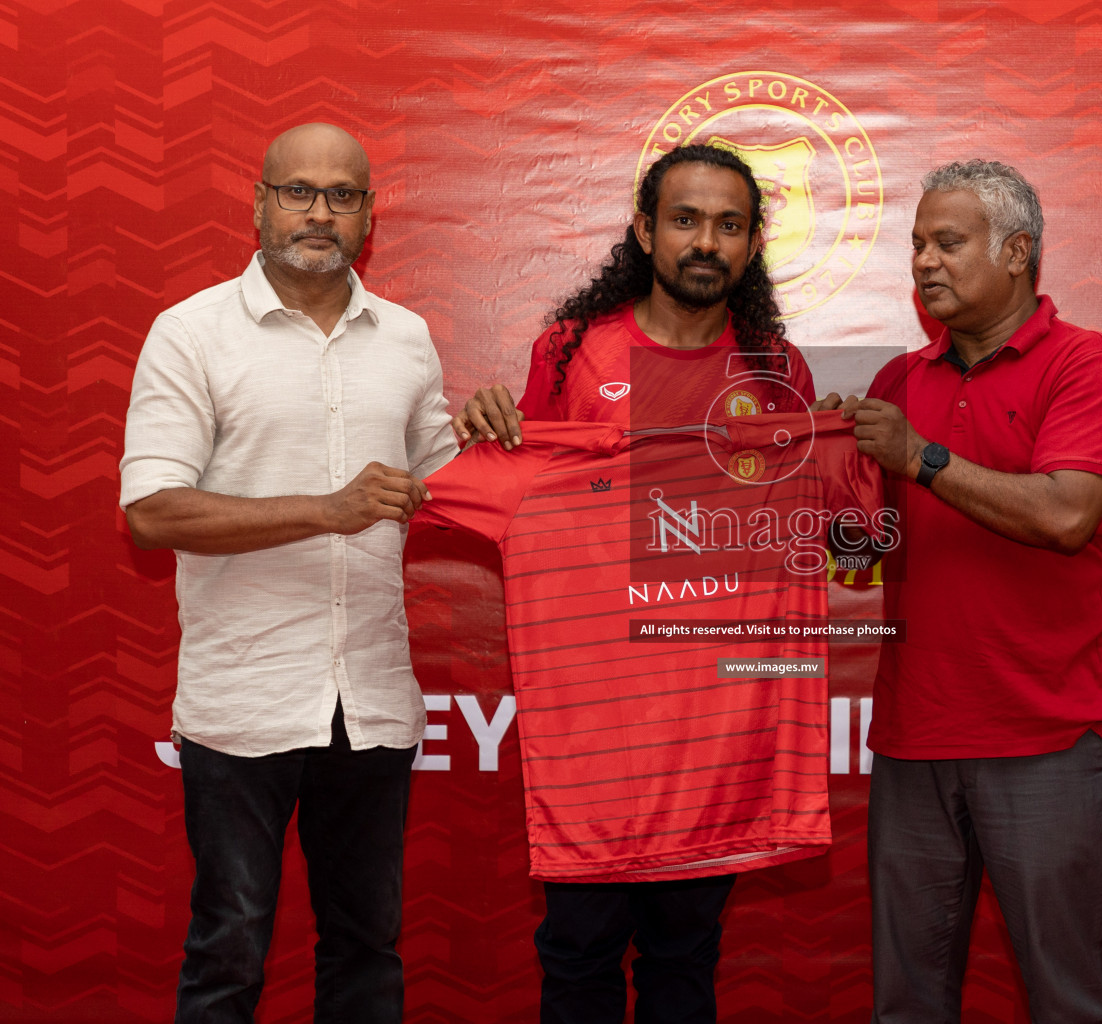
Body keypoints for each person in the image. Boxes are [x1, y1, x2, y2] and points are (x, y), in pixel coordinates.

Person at [453, 143, 817, 1024]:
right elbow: (532, 498)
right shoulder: (573, 350)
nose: (706, 242)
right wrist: (488, 435)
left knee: (685, 958)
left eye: (729, 225)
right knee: (577, 955)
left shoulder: (778, 374)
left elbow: (825, 535)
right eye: (686, 219)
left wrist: (845, 465)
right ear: (645, 229)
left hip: (713, 733)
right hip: (598, 733)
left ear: (752, 243)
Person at [119, 123, 458, 1023]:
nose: (320, 212)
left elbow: (447, 485)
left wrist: (515, 437)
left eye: (342, 195)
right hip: (244, 705)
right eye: (298, 191)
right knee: (228, 954)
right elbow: (151, 513)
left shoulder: (408, 339)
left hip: (374, 702)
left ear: (370, 214)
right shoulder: (190, 333)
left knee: (366, 952)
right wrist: (326, 509)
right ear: (260, 202)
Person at [830, 160, 1102, 1023]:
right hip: (912, 738)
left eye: (948, 243)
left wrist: (919, 459)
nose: (926, 262)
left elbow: (1066, 516)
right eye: (918, 245)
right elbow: (859, 558)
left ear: (1017, 252)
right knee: (907, 1004)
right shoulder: (899, 383)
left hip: (1041, 736)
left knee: (1067, 1000)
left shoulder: (1089, 363)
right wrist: (825, 492)